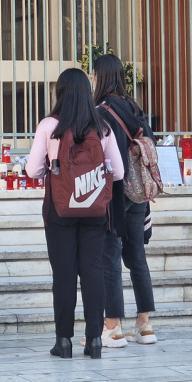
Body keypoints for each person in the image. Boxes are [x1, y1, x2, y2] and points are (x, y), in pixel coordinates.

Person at [26, 68, 124, 359]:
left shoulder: (49, 125)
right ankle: (94, 340)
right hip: (95, 209)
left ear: (60, 92)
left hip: (60, 209)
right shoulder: (103, 126)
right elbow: (117, 172)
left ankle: (64, 341)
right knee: (93, 272)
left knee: (64, 275)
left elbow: (33, 170)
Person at [92, 54, 158, 348]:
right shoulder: (134, 108)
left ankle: (113, 327)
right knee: (137, 258)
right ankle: (145, 325)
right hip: (139, 191)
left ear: (99, 76)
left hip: (115, 193)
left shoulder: (101, 112)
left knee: (110, 258)